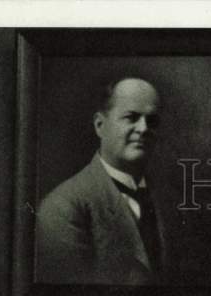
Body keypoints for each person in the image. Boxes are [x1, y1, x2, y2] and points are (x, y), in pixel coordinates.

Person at [35, 77, 167, 285]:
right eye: (131, 117)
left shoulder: (170, 200)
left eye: (152, 121)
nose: (143, 128)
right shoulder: (63, 207)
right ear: (100, 125)